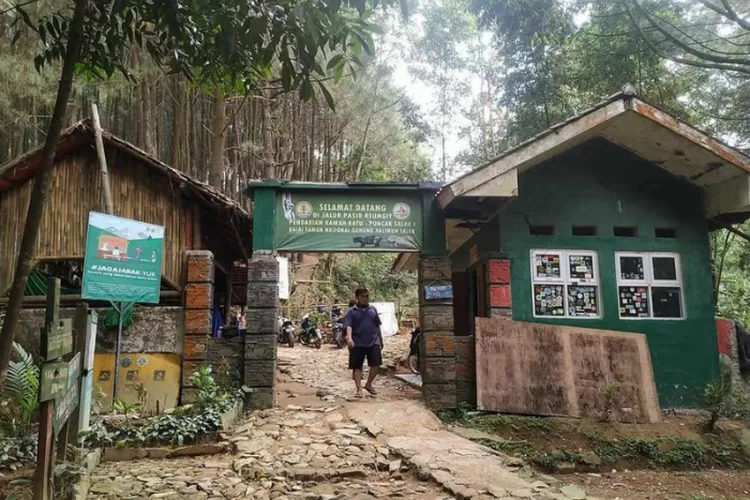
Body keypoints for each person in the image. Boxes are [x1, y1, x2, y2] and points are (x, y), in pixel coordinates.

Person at [342, 287, 382, 397]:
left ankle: (369, 384)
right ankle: (359, 389)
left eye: (367, 296)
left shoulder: (372, 309)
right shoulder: (351, 311)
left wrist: (380, 340)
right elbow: (348, 326)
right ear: (357, 297)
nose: (365, 298)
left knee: (376, 364)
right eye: (363, 296)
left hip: (373, 341)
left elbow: (377, 325)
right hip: (357, 342)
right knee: (357, 366)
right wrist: (349, 339)